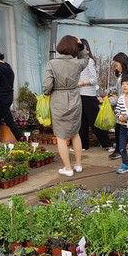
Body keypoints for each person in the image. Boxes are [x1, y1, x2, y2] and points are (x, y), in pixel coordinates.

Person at [43, 35, 89, 177]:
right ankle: (78, 165)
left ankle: (68, 168)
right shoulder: (77, 63)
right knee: (75, 133)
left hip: (59, 100)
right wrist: (81, 46)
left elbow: (47, 86)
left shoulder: (52, 64)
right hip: (75, 98)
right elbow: (86, 59)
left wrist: (47, 92)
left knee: (61, 136)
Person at [78, 39, 110, 150]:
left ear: (86, 48)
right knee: (82, 121)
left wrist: (81, 83)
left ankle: (107, 144)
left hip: (88, 95)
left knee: (95, 121)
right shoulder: (78, 61)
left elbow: (94, 80)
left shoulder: (89, 61)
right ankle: (83, 145)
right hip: (80, 95)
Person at [108, 52, 128, 160]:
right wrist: (110, 91)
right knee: (120, 129)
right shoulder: (121, 75)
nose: (116, 67)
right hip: (122, 106)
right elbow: (119, 88)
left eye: (117, 65)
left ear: (123, 63)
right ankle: (120, 150)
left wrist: (113, 100)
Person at [0, 48, 22, 141]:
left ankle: (21, 139)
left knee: (9, 120)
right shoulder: (7, 66)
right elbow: (11, 79)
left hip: (2, 97)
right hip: (9, 96)